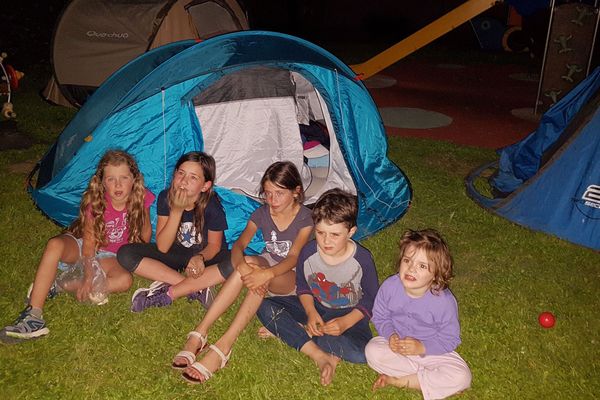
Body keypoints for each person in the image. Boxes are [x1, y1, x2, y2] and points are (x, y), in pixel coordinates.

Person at [176, 161, 313, 382]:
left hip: (294, 278)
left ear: (296, 192)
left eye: (279, 193)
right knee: (248, 261)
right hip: (267, 265)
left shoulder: (305, 217)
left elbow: (293, 257)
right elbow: (239, 245)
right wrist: (241, 266)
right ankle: (201, 332)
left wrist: (265, 274)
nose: (272, 200)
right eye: (268, 194)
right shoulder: (262, 212)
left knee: (259, 270)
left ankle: (224, 346)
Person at [1, 150, 154, 340]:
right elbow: (88, 245)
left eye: (124, 177)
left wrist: (142, 208)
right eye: (110, 179)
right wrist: (89, 276)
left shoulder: (142, 197)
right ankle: (34, 317)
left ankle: (59, 285)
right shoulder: (97, 203)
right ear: (102, 182)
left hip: (111, 256)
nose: (118, 185)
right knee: (55, 244)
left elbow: (145, 236)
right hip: (85, 246)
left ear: (134, 179)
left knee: (124, 281)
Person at [256, 188, 379, 386]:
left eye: (335, 234)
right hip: (315, 307)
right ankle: (318, 353)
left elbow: (372, 299)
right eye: (321, 232)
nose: (326, 241)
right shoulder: (308, 252)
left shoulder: (362, 259)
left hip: (349, 314)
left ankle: (294, 332)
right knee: (263, 306)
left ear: (351, 232)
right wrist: (311, 311)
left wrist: (345, 323)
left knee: (361, 354)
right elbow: (303, 286)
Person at [117, 151, 231, 312]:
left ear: (205, 186)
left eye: (193, 177)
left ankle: (186, 286)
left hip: (205, 257)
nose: (184, 181)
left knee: (237, 261)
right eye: (181, 173)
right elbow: (163, 247)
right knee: (125, 254)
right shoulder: (165, 197)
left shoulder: (212, 206)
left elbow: (214, 245)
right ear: (174, 174)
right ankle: (197, 288)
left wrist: (200, 258)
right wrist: (176, 211)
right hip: (176, 254)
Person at [365, 229, 471, 400]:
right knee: (372, 350)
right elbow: (380, 316)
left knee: (462, 376)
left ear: (436, 274)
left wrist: (422, 347)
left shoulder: (443, 301)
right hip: (398, 347)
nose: (411, 269)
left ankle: (398, 380)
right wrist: (390, 335)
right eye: (407, 260)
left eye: (422, 266)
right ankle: (431, 380)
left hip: (433, 351)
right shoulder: (390, 287)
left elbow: (450, 339)